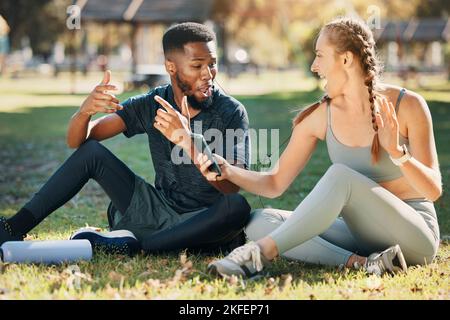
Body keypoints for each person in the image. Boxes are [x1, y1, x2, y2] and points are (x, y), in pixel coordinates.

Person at [201, 17, 442, 277]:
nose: (314, 66)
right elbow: (275, 184)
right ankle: (365, 263)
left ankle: (256, 255)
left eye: (319, 55)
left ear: (346, 60)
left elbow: (433, 190)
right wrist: (228, 171)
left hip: (415, 237)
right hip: (360, 234)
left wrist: (397, 152)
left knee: (341, 176)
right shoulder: (320, 116)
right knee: (261, 221)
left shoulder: (408, 105)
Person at [0, 22, 251, 256]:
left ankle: (141, 246)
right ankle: (12, 228)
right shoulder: (151, 104)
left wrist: (189, 142)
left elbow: (232, 186)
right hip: (157, 210)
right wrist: (84, 112)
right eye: (197, 65)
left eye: (212, 63)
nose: (208, 73)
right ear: (171, 67)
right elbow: (79, 142)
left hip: (203, 219)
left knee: (236, 207)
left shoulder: (231, 112)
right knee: (92, 154)